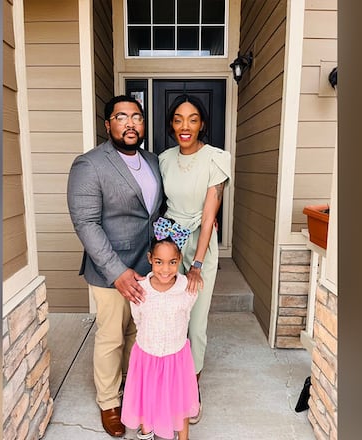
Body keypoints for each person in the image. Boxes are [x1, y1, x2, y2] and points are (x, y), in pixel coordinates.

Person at [67, 95, 164, 438]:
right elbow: (86, 223)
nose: (130, 123)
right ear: (108, 125)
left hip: (148, 266)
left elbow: (152, 213)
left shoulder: (151, 160)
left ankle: (132, 390)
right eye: (121, 117)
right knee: (111, 338)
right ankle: (109, 402)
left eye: (136, 117)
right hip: (111, 270)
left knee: (137, 336)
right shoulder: (90, 164)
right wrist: (117, 271)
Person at [158, 94, 231, 424]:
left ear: (202, 123)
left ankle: (191, 388)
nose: (184, 126)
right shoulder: (162, 159)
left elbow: (208, 215)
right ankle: (168, 380)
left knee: (196, 322)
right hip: (169, 246)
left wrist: (198, 263)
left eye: (192, 119)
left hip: (200, 246)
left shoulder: (216, 159)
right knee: (170, 317)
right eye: (178, 119)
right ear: (171, 124)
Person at [121, 217, 200, 440]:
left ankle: (182, 437)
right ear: (150, 260)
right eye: (159, 262)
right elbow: (138, 320)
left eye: (172, 262)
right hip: (147, 357)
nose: (165, 269)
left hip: (176, 358)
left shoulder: (188, 289)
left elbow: (186, 316)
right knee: (149, 400)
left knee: (179, 401)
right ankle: (147, 434)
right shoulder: (140, 291)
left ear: (180, 260)